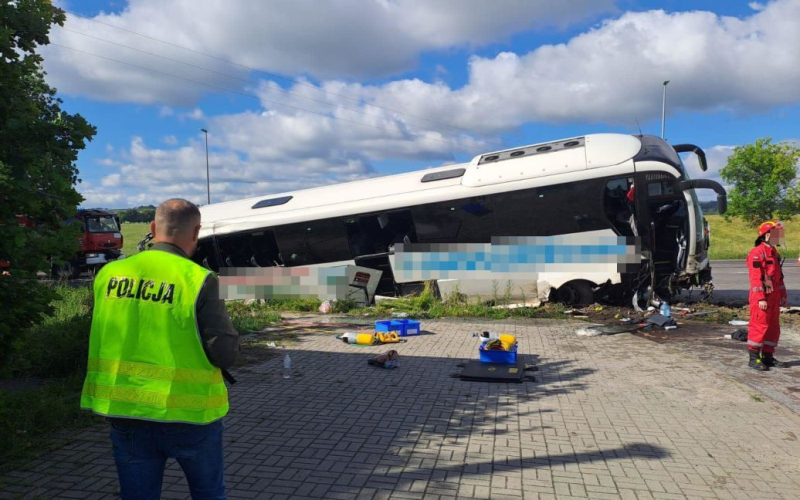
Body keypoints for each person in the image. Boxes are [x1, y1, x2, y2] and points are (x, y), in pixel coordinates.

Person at [81, 199, 239, 499]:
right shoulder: (198, 279)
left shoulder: (107, 275)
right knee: (208, 494)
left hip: (126, 411)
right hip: (191, 415)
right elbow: (225, 353)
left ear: (153, 229)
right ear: (196, 233)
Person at [746, 220, 788, 371]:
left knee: (773, 327)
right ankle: (754, 358)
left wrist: (782, 295)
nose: (780, 237)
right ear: (768, 235)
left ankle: (768, 356)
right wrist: (761, 298)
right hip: (762, 298)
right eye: (778, 234)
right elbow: (755, 278)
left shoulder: (774, 254)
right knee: (759, 326)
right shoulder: (757, 253)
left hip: (774, 296)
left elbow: (779, 278)